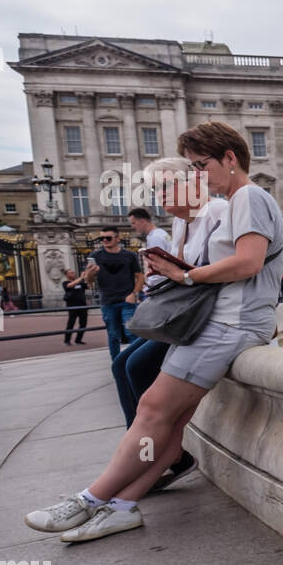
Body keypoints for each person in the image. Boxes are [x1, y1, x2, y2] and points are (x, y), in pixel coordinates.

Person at [25, 120, 283, 543]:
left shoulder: (247, 196)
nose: (197, 177)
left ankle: (89, 500)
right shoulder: (237, 200)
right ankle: (123, 506)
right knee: (170, 418)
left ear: (230, 158)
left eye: (201, 166)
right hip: (229, 320)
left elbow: (248, 263)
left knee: (151, 409)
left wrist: (184, 277)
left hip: (228, 324)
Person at [110, 156, 216, 492]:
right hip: (185, 306)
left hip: (203, 313)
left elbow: (223, 272)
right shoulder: (182, 223)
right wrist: (165, 271)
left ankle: (159, 457)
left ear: (192, 182)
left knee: (137, 366)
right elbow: (186, 272)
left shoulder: (216, 213)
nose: (160, 197)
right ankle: (146, 451)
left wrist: (176, 272)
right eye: (157, 190)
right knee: (120, 363)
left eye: (166, 187)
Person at [84, 225, 144, 360]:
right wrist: (90, 273)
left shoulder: (129, 255)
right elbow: (89, 281)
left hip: (127, 300)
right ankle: (116, 362)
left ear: (118, 238)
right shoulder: (95, 256)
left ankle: (137, 361)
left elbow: (140, 277)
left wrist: (134, 294)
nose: (104, 240)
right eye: (102, 238)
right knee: (113, 335)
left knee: (132, 333)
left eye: (108, 238)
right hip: (107, 301)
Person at [63, 268, 89, 344]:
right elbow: (70, 285)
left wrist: (87, 277)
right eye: (71, 273)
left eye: (73, 272)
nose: (73, 274)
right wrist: (81, 277)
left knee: (83, 324)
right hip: (72, 306)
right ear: (66, 275)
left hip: (82, 306)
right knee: (71, 323)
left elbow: (88, 286)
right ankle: (67, 341)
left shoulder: (80, 282)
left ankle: (78, 340)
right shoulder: (65, 283)